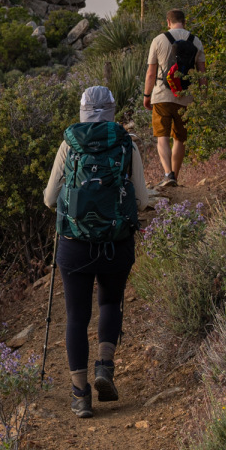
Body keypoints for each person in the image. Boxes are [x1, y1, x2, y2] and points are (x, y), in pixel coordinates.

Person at [43, 85, 150, 419]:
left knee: (76, 316)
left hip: (74, 245)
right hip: (116, 242)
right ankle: (104, 365)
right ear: (112, 111)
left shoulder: (68, 145)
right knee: (109, 302)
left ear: (82, 111)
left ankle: (80, 395)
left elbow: (49, 198)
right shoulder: (126, 145)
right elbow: (143, 201)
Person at [143, 9, 205, 190]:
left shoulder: (159, 40)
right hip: (185, 97)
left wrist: (147, 96)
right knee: (179, 138)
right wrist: (202, 98)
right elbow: (202, 74)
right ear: (184, 22)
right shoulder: (196, 41)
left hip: (162, 95)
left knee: (162, 136)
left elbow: (151, 73)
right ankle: (175, 178)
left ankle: (167, 174)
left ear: (168, 22)